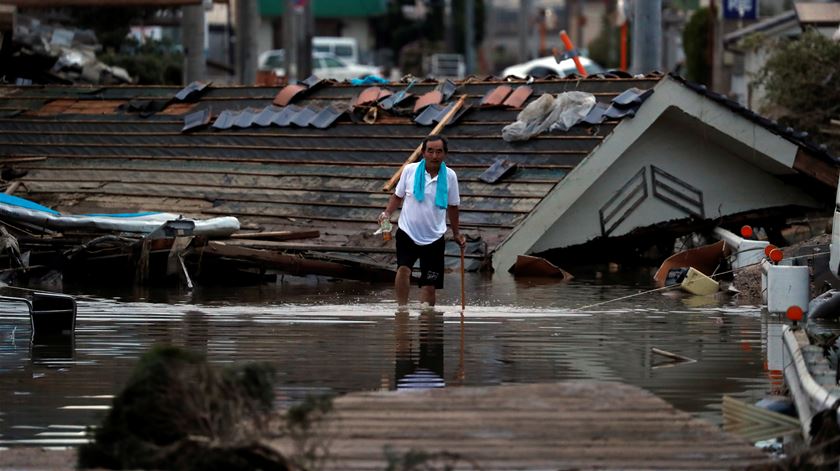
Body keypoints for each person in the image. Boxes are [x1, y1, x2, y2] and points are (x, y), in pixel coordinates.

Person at [379, 135, 466, 310]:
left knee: (430, 284)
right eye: (430, 151)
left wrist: (456, 233)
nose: (434, 156)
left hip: (434, 236)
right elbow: (398, 196)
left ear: (445, 154)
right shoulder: (410, 170)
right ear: (423, 153)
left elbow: (453, 207)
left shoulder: (450, 176)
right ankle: (402, 311)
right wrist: (387, 213)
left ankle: (427, 319)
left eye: (439, 152)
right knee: (403, 269)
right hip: (407, 231)